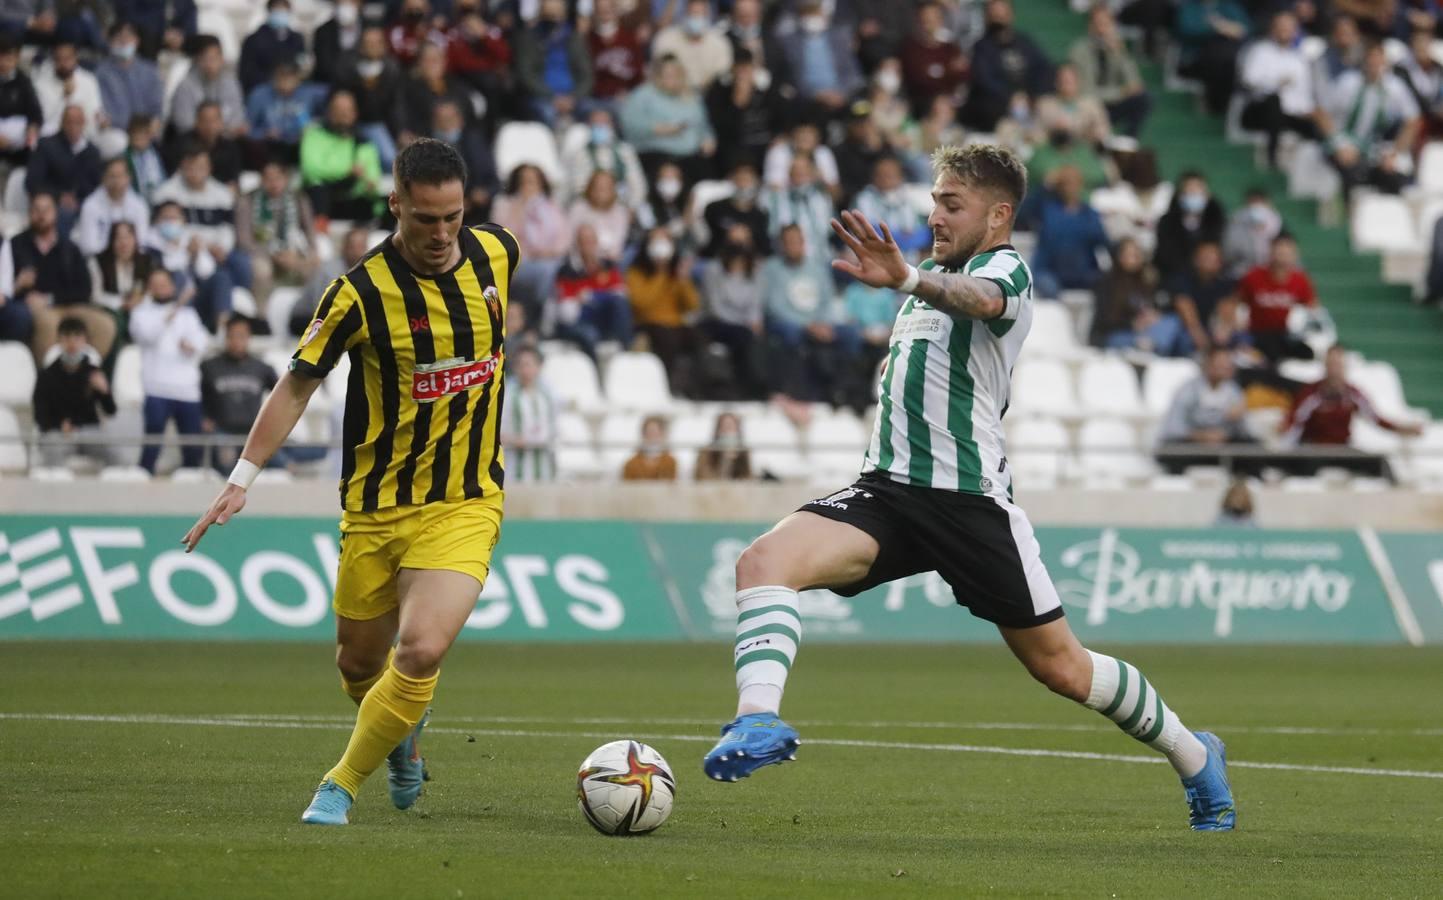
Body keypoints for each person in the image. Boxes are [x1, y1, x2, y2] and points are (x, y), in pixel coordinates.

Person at [703, 143, 1238, 835]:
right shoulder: (926, 271)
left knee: (1064, 670)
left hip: (968, 504)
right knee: (761, 564)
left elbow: (980, 300)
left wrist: (906, 280)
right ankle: (757, 722)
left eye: (950, 204)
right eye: (932, 201)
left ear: (997, 213)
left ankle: (1196, 757)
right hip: (888, 493)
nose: (934, 215)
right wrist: (909, 278)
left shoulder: (1003, 270)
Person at [182, 139, 523, 827]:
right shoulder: (358, 293)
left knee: (421, 649)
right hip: (374, 510)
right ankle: (401, 740)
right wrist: (242, 478)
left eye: (452, 217)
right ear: (396, 204)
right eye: (425, 218)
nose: (441, 233)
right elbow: (296, 385)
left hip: (464, 500)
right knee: (357, 665)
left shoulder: (498, 253)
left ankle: (338, 785)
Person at [154, 145, 252, 330]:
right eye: (191, 167)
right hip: (184, 251)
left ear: (209, 168)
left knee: (240, 263)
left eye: (201, 167)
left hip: (215, 251)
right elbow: (168, 229)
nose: (195, 172)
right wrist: (202, 247)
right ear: (183, 166)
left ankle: (236, 314)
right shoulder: (167, 193)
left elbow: (227, 228)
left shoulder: (222, 194)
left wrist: (221, 247)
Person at [0, 191, 102, 360]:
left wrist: (50, 299)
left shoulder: (70, 248)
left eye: (46, 210)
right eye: (36, 210)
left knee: (103, 326)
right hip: (34, 308)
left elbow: (85, 289)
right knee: (48, 325)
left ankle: (89, 374)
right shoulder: (15, 245)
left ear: (56, 213)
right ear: (29, 213)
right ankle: (48, 378)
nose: (41, 215)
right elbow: (5, 290)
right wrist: (19, 285)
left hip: (67, 304)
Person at [129, 267, 210, 473]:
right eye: (155, 285)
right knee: (152, 445)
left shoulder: (189, 314)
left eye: (164, 284)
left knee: (192, 447)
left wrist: (192, 346)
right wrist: (175, 308)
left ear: (172, 286)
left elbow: (201, 340)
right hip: (157, 388)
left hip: (187, 390)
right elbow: (148, 335)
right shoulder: (141, 313)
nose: (161, 289)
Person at [1315, 41, 1421, 197]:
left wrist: (1394, 153)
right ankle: (1347, 214)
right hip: (1341, 142)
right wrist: (1340, 145)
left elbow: (1413, 120)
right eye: (1371, 61)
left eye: (1379, 62)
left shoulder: (1393, 87)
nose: (1375, 66)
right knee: (1351, 172)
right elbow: (1321, 113)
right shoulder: (1347, 82)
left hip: (1372, 147)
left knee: (1393, 178)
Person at [1282, 344, 1423, 445]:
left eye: (1339, 365)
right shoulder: (1311, 393)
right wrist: (1283, 442)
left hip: (1343, 450)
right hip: (1315, 448)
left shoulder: (1352, 393)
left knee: (1380, 465)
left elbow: (1375, 418)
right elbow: (1294, 422)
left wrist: (1401, 429)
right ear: (1325, 367)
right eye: (1331, 365)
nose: (1335, 370)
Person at [490, 163, 571, 327]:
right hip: (517, 263)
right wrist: (521, 207)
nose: (529, 186)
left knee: (554, 269)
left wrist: (548, 252)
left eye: (533, 182)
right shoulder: (504, 204)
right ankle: (540, 318)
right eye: (524, 182)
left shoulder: (552, 206)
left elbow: (564, 239)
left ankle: (550, 318)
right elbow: (502, 238)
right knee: (547, 271)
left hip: (549, 259)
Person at [32, 315, 115, 468]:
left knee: (115, 454)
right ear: (59, 341)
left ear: (85, 341)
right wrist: (59, 425)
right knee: (52, 450)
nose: (72, 343)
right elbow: (40, 414)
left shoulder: (93, 373)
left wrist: (105, 392)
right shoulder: (46, 375)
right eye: (66, 337)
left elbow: (110, 410)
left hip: (88, 432)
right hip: (58, 433)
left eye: (77, 337)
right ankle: (55, 491)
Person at [619, 54, 716, 182]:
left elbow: (703, 124)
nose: (672, 79)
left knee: (707, 173)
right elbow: (628, 124)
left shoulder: (691, 96)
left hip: (691, 155)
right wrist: (656, 129)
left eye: (676, 74)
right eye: (667, 74)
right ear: (658, 75)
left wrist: (708, 138)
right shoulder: (643, 95)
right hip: (655, 152)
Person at [201, 315, 279, 473]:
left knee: (283, 462)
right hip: (224, 432)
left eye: (241, 336)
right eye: (232, 336)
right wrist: (204, 417)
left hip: (254, 434)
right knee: (228, 470)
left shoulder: (262, 368)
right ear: (226, 338)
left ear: (249, 338)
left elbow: (281, 396)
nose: (237, 341)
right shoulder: (209, 367)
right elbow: (200, 396)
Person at [1239, 11, 1316, 166]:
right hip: (1259, 111)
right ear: (1273, 29)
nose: (1284, 31)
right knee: (1274, 101)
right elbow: (1248, 80)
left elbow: (1305, 95)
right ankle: (1271, 158)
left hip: (1289, 115)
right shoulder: (1260, 51)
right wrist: (1276, 83)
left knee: (1315, 125)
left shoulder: (1300, 60)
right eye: (1281, 27)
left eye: (1289, 28)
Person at [627, 227, 701, 386]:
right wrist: (660, 274)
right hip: (648, 323)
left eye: (665, 241)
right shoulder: (636, 273)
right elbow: (641, 304)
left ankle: (699, 387)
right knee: (668, 340)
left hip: (676, 323)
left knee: (701, 339)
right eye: (656, 241)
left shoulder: (676, 274)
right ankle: (666, 385)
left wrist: (683, 280)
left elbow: (693, 305)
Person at [235, 160, 316, 305]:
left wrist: (309, 252)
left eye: (278, 178)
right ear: (261, 180)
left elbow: (310, 230)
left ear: (286, 179)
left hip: (292, 249)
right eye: (268, 179)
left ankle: (309, 316)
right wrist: (272, 254)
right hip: (260, 252)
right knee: (262, 271)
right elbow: (243, 239)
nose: (273, 184)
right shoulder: (247, 200)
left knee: (313, 267)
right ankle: (262, 316)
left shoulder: (298, 198)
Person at [964, 0, 1054, 131]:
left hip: (1029, 97)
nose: (998, 19)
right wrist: (1010, 96)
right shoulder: (981, 47)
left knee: (1049, 107)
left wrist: (1034, 95)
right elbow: (984, 80)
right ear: (986, 18)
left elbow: (1043, 68)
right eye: (994, 16)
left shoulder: (1025, 42)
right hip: (998, 103)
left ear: (1011, 15)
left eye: (1002, 15)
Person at [1088, 236, 1186, 355]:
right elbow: (1105, 320)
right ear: (1119, 256)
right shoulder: (1106, 282)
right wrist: (1132, 324)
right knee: (1128, 340)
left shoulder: (1145, 281)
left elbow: (1157, 305)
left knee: (1172, 321)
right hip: (1115, 334)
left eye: (1137, 254)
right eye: (1130, 254)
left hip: (1143, 332)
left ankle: (1153, 347)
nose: (1136, 258)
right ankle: (1154, 348)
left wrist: (1153, 315)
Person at [300, 90, 384, 223]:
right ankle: (320, 234)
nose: (343, 115)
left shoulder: (364, 142)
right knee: (318, 188)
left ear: (355, 113)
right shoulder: (314, 135)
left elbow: (372, 177)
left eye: (347, 110)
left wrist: (367, 182)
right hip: (322, 199)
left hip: (352, 198)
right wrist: (348, 171)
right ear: (329, 112)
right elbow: (312, 169)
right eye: (338, 110)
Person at [772, 1, 865, 122]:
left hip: (842, 98)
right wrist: (816, 95)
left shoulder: (840, 38)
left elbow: (853, 74)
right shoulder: (789, 42)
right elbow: (792, 78)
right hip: (807, 102)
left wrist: (842, 94)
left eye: (815, 12)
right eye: (807, 13)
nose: (812, 17)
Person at [1069, 6, 1151, 138]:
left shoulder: (1116, 48)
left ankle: (1129, 140)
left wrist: (1120, 54)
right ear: (1090, 26)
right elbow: (1086, 90)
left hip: (1111, 104)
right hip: (1089, 106)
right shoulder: (1080, 51)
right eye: (1098, 24)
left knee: (1143, 98)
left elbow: (1134, 84)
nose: (1101, 30)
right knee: (1088, 104)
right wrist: (1120, 92)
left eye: (1106, 24)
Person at [553, 223, 632, 359]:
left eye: (592, 241)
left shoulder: (608, 266)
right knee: (590, 334)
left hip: (602, 318)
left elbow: (621, 295)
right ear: (577, 244)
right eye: (584, 241)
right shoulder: (567, 271)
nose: (589, 245)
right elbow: (566, 314)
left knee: (620, 305)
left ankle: (627, 352)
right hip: (577, 322)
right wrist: (581, 301)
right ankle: (596, 373)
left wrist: (592, 296)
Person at [1031, 164, 1110, 298]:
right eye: (1065, 183)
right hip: (1050, 270)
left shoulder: (1090, 214)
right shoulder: (1046, 209)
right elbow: (1024, 212)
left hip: (1083, 272)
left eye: (1073, 182)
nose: (1070, 187)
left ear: (1081, 184)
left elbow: (1104, 242)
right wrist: (1044, 186)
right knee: (1047, 286)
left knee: (1109, 285)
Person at [700, 238, 765, 397]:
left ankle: (755, 385)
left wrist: (754, 321)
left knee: (758, 340)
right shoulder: (713, 272)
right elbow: (715, 307)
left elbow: (754, 304)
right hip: (717, 322)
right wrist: (744, 324)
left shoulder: (753, 275)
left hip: (743, 326)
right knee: (744, 337)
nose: (738, 265)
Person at [1237, 234, 1316, 363]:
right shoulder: (1253, 277)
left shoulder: (1301, 280)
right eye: (1280, 251)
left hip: (1288, 335)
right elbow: (1236, 303)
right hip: (1257, 333)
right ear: (1271, 252)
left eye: (1288, 252)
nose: (1283, 256)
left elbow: (1312, 307)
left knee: (1308, 354)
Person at [514, 0, 593, 127]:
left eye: (556, 14)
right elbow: (526, 75)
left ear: (564, 13)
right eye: (549, 16)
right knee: (548, 114)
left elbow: (586, 75)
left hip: (574, 97)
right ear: (540, 13)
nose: (553, 20)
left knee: (594, 113)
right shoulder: (529, 38)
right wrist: (553, 98)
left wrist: (573, 98)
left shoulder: (575, 38)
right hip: (542, 97)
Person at [336, 25, 404, 171]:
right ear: (360, 46)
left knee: (389, 159)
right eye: (368, 43)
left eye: (376, 43)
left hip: (377, 123)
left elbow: (396, 104)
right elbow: (339, 94)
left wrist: (399, 131)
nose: (372, 47)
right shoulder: (348, 66)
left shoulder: (391, 69)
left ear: (384, 45)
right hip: (349, 123)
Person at [26, 104, 101, 232]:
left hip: (84, 202)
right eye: (69, 122)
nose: (73, 127)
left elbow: (96, 184)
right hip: (54, 201)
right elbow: (32, 182)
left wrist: (79, 199)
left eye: (78, 122)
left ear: (84, 123)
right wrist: (59, 196)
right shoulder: (47, 146)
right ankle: (61, 250)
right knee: (64, 213)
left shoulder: (92, 152)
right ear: (62, 123)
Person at [705, 49, 781, 175]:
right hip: (737, 144)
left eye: (747, 68)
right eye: (739, 69)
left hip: (766, 142)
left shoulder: (767, 87)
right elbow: (720, 126)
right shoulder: (720, 89)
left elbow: (780, 116)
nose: (743, 74)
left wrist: (780, 135)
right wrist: (737, 104)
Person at [1159, 346, 1253, 446]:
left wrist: (1238, 419)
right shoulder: (1188, 390)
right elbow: (1173, 428)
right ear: (1208, 365)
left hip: (1223, 447)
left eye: (1229, 364)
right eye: (1221, 364)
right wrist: (1202, 436)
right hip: (1192, 447)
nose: (1226, 367)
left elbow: (1244, 431)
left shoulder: (1233, 391)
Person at [561, 106, 648, 211]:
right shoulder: (580, 153)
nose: (600, 127)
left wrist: (632, 207)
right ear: (589, 126)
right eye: (596, 123)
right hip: (590, 207)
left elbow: (637, 184)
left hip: (623, 206)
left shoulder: (625, 151)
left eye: (604, 123)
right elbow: (578, 186)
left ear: (612, 125)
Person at [245, 60, 326, 165]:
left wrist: (315, 124)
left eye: (289, 77)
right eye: (281, 77)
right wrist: (264, 134)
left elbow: (335, 100)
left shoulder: (310, 93)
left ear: (298, 78)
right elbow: (247, 131)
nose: (285, 82)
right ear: (274, 78)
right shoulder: (259, 95)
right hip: (270, 148)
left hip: (301, 145)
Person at [1153, 171, 1226, 282]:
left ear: (1206, 195)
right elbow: (1165, 255)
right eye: (1189, 191)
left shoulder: (1217, 222)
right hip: (1174, 278)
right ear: (1180, 195)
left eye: (1197, 190)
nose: (1193, 194)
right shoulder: (1166, 223)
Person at [1168, 240, 1237, 355]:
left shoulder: (1224, 282)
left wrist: (1224, 330)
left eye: (1214, 259)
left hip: (1211, 326)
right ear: (1196, 260)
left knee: (1240, 338)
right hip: (1186, 328)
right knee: (1184, 340)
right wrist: (1199, 336)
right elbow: (1186, 309)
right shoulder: (1183, 279)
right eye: (1206, 258)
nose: (1210, 262)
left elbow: (1227, 308)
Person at [500, 345, 557, 482]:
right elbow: (496, 433)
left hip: (544, 470)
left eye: (529, 365)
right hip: (515, 470)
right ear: (515, 368)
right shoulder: (506, 394)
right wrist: (515, 440)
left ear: (539, 367)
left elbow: (555, 428)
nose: (525, 370)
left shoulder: (548, 394)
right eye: (521, 365)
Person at [169, 35, 246, 137]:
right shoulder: (185, 86)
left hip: (225, 141)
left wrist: (220, 131)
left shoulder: (231, 84)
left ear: (222, 58)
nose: (210, 64)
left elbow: (237, 119)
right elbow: (184, 125)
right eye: (205, 59)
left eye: (214, 58)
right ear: (197, 60)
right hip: (193, 141)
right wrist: (212, 129)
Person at [95, 23, 163, 138]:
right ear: (110, 41)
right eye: (119, 37)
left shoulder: (150, 71)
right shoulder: (101, 73)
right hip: (117, 132)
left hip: (147, 133)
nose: (124, 41)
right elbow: (106, 113)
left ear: (137, 40)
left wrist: (151, 125)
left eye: (128, 37)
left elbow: (156, 108)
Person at [901, 2, 970, 113]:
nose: (929, 24)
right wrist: (949, 70)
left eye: (933, 19)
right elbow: (919, 79)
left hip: (950, 102)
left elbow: (964, 74)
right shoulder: (911, 49)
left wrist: (942, 73)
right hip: (922, 103)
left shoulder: (950, 48)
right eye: (925, 20)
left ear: (940, 21)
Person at [74, 157, 150, 257]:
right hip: (99, 261)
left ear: (129, 178)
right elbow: (89, 246)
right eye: (112, 176)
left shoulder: (139, 205)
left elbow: (142, 242)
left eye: (120, 176)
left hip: (130, 260)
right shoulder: (90, 205)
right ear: (104, 178)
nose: (117, 181)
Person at [651, 0, 733, 92]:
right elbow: (659, 73)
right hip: (672, 95)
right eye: (692, 14)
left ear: (708, 16)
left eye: (700, 14)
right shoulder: (665, 38)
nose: (696, 18)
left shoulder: (720, 43)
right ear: (684, 14)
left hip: (709, 97)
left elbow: (721, 76)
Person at [32, 40, 103, 140]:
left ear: (75, 59)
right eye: (59, 59)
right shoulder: (41, 84)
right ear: (53, 60)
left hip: (85, 132)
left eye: (67, 59)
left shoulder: (88, 79)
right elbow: (46, 119)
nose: (63, 64)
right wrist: (65, 97)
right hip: (56, 133)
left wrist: (101, 119)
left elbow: (95, 110)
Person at [702, 162, 770, 258]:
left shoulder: (760, 215)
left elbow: (765, 248)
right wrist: (728, 236)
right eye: (739, 180)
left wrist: (749, 239)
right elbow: (705, 241)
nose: (742, 185)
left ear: (755, 183)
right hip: (718, 260)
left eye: (747, 180)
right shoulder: (714, 208)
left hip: (749, 265)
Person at [239, 0, 305, 94]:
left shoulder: (297, 39)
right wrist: (275, 82)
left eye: (284, 9)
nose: (281, 13)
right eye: (277, 9)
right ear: (269, 12)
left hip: (293, 91)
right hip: (264, 90)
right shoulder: (253, 40)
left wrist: (291, 81)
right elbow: (247, 73)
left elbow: (301, 66)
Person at [89, 220, 155, 312]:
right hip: (109, 309)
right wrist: (121, 303)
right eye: (118, 238)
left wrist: (140, 300)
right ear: (111, 241)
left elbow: (153, 290)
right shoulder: (98, 262)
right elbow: (95, 295)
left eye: (128, 237)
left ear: (135, 240)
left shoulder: (146, 261)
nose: (124, 243)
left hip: (140, 308)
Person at [567, 170, 631, 263]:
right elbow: (570, 241)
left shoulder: (620, 211)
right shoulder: (577, 208)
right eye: (598, 186)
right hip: (581, 261)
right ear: (590, 187)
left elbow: (616, 247)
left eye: (606, 186)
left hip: (609, 261)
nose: (602, 190)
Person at [0, 32, 41, 173]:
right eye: (0, 57)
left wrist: (32, 130)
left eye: (8, 58)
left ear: (16, 58)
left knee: (37, 143)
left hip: (17, 137)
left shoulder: (23, 82)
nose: (3, 63)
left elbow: (35, 114)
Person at [1221, 188, 1282, 277]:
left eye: (1260, 203)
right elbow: (1229, 252)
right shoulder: (1236, 222)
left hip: (1270, 273)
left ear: (1268, 204)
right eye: (1253, 203)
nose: (1256, 207)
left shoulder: (1278, 224)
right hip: (1241, 271)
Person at [694, 411, 751, 480]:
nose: (727, 431)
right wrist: (724, 459)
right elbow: (702, 478)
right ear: (717, 430)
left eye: (731, 427)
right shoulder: (705, 452)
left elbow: (747, 479)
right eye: (724, 426)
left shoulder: (744, 452)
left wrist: (733, 461)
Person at [124, 113, 166, 204]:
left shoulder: (155, 154)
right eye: (135, 133)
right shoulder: (124, 157)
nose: (139, 137)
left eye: (144, 133)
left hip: (157, 198)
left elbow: (163, 178)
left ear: (150, 135)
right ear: (129, 135)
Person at [621, 414, 678, 479]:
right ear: (643, 434)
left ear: (663, 434)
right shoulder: (631, 463)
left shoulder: (670, 462)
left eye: (656, 432)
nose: (652, 436)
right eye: (649, 432)